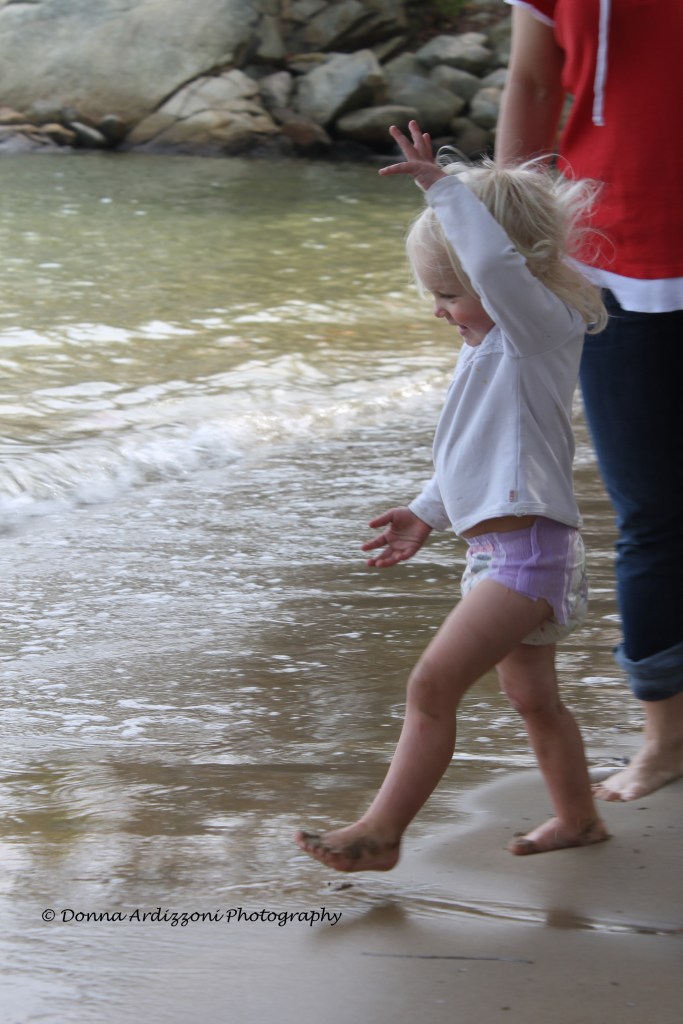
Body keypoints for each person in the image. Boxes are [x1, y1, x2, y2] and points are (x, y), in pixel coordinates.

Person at [295, 121, 609, 873]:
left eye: (445, 294)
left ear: (509, 273)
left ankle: (381, 831)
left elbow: (496, 269)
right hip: (501, 552)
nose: (437, 310)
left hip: (526, 558)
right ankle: (579, 819)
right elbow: (473, 454)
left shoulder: (537, 328)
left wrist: (442, 190)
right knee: (533, 700)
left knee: (431, 685)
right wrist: (425, 513)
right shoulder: (493, 349)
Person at [496, 0, 683, 802]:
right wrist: (501, 238)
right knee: (650, 511)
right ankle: (667, 737)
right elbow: (535, 81)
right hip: (616, 260)